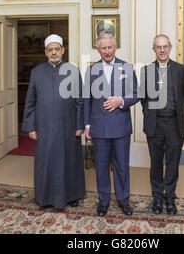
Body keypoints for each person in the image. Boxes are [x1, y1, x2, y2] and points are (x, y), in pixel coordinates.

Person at [22, 34, 85, 209]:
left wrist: (80, 124)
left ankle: (72, 195)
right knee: (46, 162)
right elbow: (30, 102)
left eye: (57, 49)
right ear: (46, 52)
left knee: (69, 161)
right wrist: (30, 127)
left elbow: (80, 100)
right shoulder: (37, 72)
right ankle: (45, 197)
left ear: (63, 50)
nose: (54, 53)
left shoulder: (73, 70)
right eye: (50, 50)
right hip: (45, 127)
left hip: (68, 125)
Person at [84, 32, 139, 217]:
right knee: (100, 167)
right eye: (103, 48)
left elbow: (136, 94)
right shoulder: (91, 71)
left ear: (115, 48)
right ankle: (104, 201)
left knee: (122, 166)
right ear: (98, 50)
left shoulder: (127, 68)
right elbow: (86, 99)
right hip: (99, 127)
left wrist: (121, 101)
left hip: (121, 126)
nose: (107, 51)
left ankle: (123, 200)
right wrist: (87, 125)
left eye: (110, 47)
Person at [139, 34, 184, 215]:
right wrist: (150, 113)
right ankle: (157, 198)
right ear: (154, 49)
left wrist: (176, 111)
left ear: (170, 48)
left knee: (172, 163)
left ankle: (169, 198)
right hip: (155, 124)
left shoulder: (181, 70)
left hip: (175, 124)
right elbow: (143, 98)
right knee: (155, 163)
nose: (162, 50)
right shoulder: (146, 71)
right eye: (158, 47)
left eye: (165, 47)